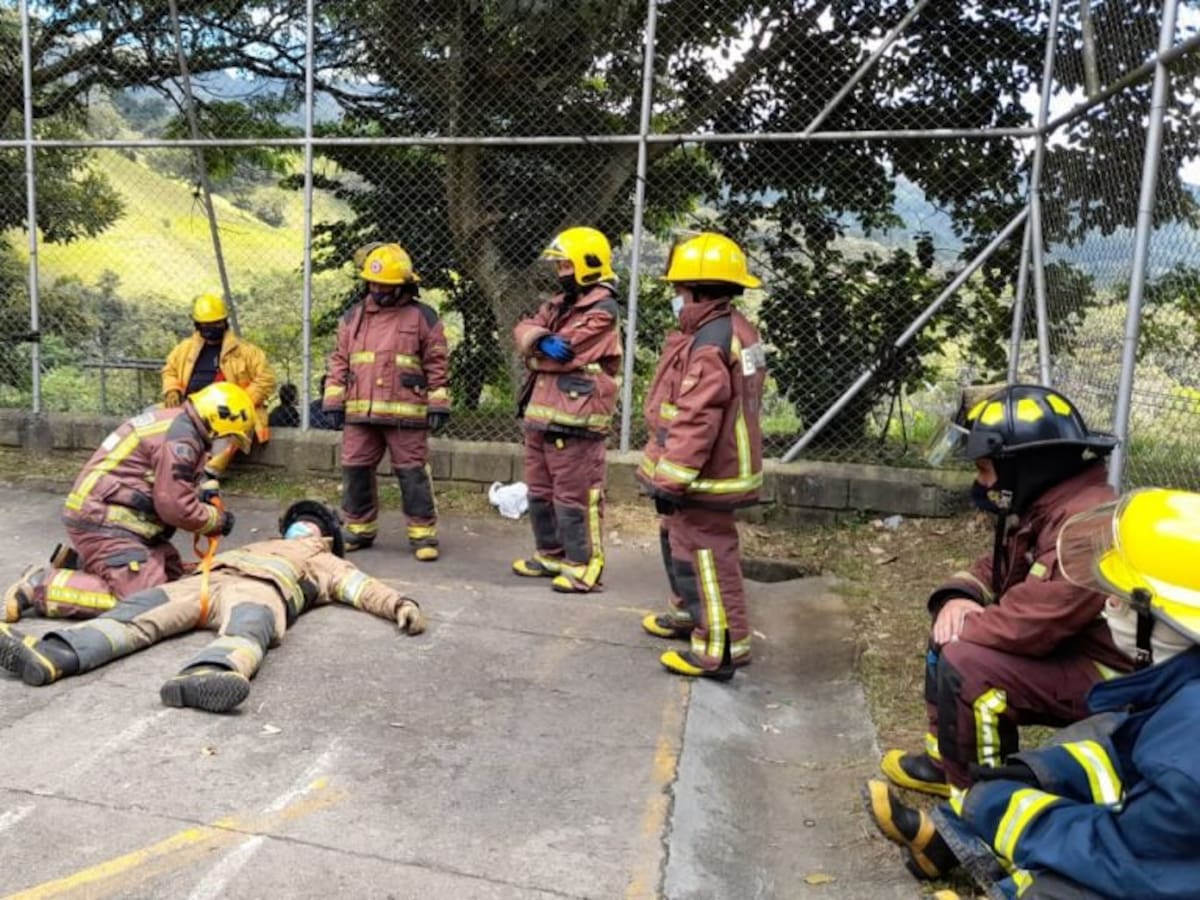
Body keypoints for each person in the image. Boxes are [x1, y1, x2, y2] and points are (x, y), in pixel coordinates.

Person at [862, 488, 1200, 900]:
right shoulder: (1177, 691)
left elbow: (1127, 862)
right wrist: (1036, 775)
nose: (1107, 604)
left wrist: (1017, 818)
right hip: (1168, 845)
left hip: (1153, 866)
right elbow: (1121, 759)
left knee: (1064, 887)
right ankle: (943, 841)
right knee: (1071, 755)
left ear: (1172, 621)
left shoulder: (1187, 748)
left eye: (1123, 598)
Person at [880, 384, 1133, 797]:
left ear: (1026, 467)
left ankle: (985, 802)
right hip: (1078, 652)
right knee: (952, 624)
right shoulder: (1052, 506)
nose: (981, 484)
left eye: (984, 469)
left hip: (1115, 677)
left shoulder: (1088, 525)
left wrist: (967, 627)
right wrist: (957, 598)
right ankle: (948, 762)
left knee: (970, 664)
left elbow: (1034, 624)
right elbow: (998, 570)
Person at [0, 500, 426, 713]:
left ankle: (210, 675)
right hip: (208, 581)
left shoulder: (326, 560)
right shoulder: (254, 544)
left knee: (248, 630)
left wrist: (399, 604)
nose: (300, 526)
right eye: (298, 521)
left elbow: (363, 587)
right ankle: (53, 654)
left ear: (322, 533)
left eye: (309, 523)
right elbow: (185, 564)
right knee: (138, 614)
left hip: (260, 592)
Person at [2, 383, 250, 623]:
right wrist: (214, 520)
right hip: (105, 521)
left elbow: (168, 483)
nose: (224, 446)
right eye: (228, 438)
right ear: (221, 420)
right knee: (145, 599)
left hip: (118, 520)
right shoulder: (182, 440)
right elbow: (174, 506)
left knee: (174, 577)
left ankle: (81, 565)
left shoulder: (177, 425)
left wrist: (200, 494)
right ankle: (40, 586)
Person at [637, 232, 766, 681]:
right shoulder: (736, 330)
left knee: (707, 557)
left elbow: (697, 417)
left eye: (678, 288)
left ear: (697, 288)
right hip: (718, 468)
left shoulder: (710, 341)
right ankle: (691, 617)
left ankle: (721, 650)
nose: (675, 296)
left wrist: (669, 480)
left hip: (705, 474)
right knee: (682, 544)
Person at [511, 227, 622, 593]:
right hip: (542, 414)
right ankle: (550, 555)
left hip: (578, 418)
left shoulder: (604, 309)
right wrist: (540, 341)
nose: (560, 271)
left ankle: (583, 565)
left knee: (575, 496)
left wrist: (536, 353)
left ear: (588, 265)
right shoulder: (557, 305)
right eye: (558, 264)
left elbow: (571, 352)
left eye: (566, 264)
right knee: (540, 492)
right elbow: (523, 330)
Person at [321, 243, 450, 560]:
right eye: (373, 283)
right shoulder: (354, 317)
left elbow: (437, 363)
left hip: (405, 412)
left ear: (402, 285)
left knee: (412, 473)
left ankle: (423, 535)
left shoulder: (422, 317)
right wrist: (333, 400)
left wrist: (438, 403)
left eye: (385, 285)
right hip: (360, 411)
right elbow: (340, 360)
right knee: (355, 469)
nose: (378, 289)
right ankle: (358, 528)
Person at [162, 292, 276, 476]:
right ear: (197, 324)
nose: (210, 328)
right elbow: (170, 370)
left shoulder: (246, 352)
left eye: (215, 323)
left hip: (228, 416)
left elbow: (266, 378)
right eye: (205, 325)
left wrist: (241, 402)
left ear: (225, 322)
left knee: (228, 440)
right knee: (151, 418)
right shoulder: (185, 349)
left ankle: (208, 476)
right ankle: (166, 468)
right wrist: (172, 389)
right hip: (189, 410)